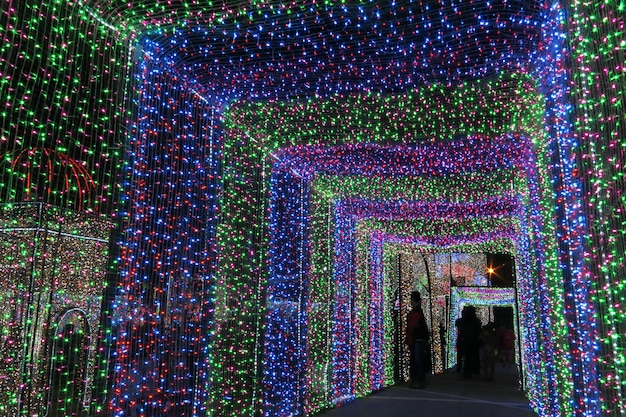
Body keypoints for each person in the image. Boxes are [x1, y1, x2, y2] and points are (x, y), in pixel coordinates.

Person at [405, 291, 429, 388]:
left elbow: (412, 326)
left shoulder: (416, 311)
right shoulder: (419, 311)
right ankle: (419, 379)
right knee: (418, 359)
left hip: (418, 338)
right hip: (420, 338)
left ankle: (420, 380)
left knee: (418, 360)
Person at [457, 305, 481, 379]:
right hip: (473, 340)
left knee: (466, 356)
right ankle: (471, 372)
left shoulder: (462, 321)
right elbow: (478, 331)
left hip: (464, 340)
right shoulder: (476, 321)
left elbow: (460, 330)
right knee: (472, 356)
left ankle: (465, 371)